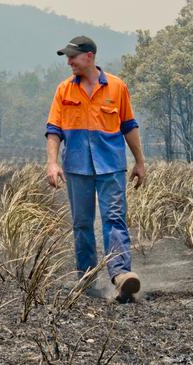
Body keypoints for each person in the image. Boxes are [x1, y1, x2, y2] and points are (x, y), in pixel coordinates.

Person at [45, 36, 146, 302]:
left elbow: (129, 126)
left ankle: (121, 275)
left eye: (73, 57)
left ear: (89, 56)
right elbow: (54, 130)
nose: (69, 62)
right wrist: (52, 162)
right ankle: (87, 280)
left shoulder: (117, 87)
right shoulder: (64, 90)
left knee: (114, 219)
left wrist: (140, 161)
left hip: (111, 166)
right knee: (82, 224)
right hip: (77, 167)